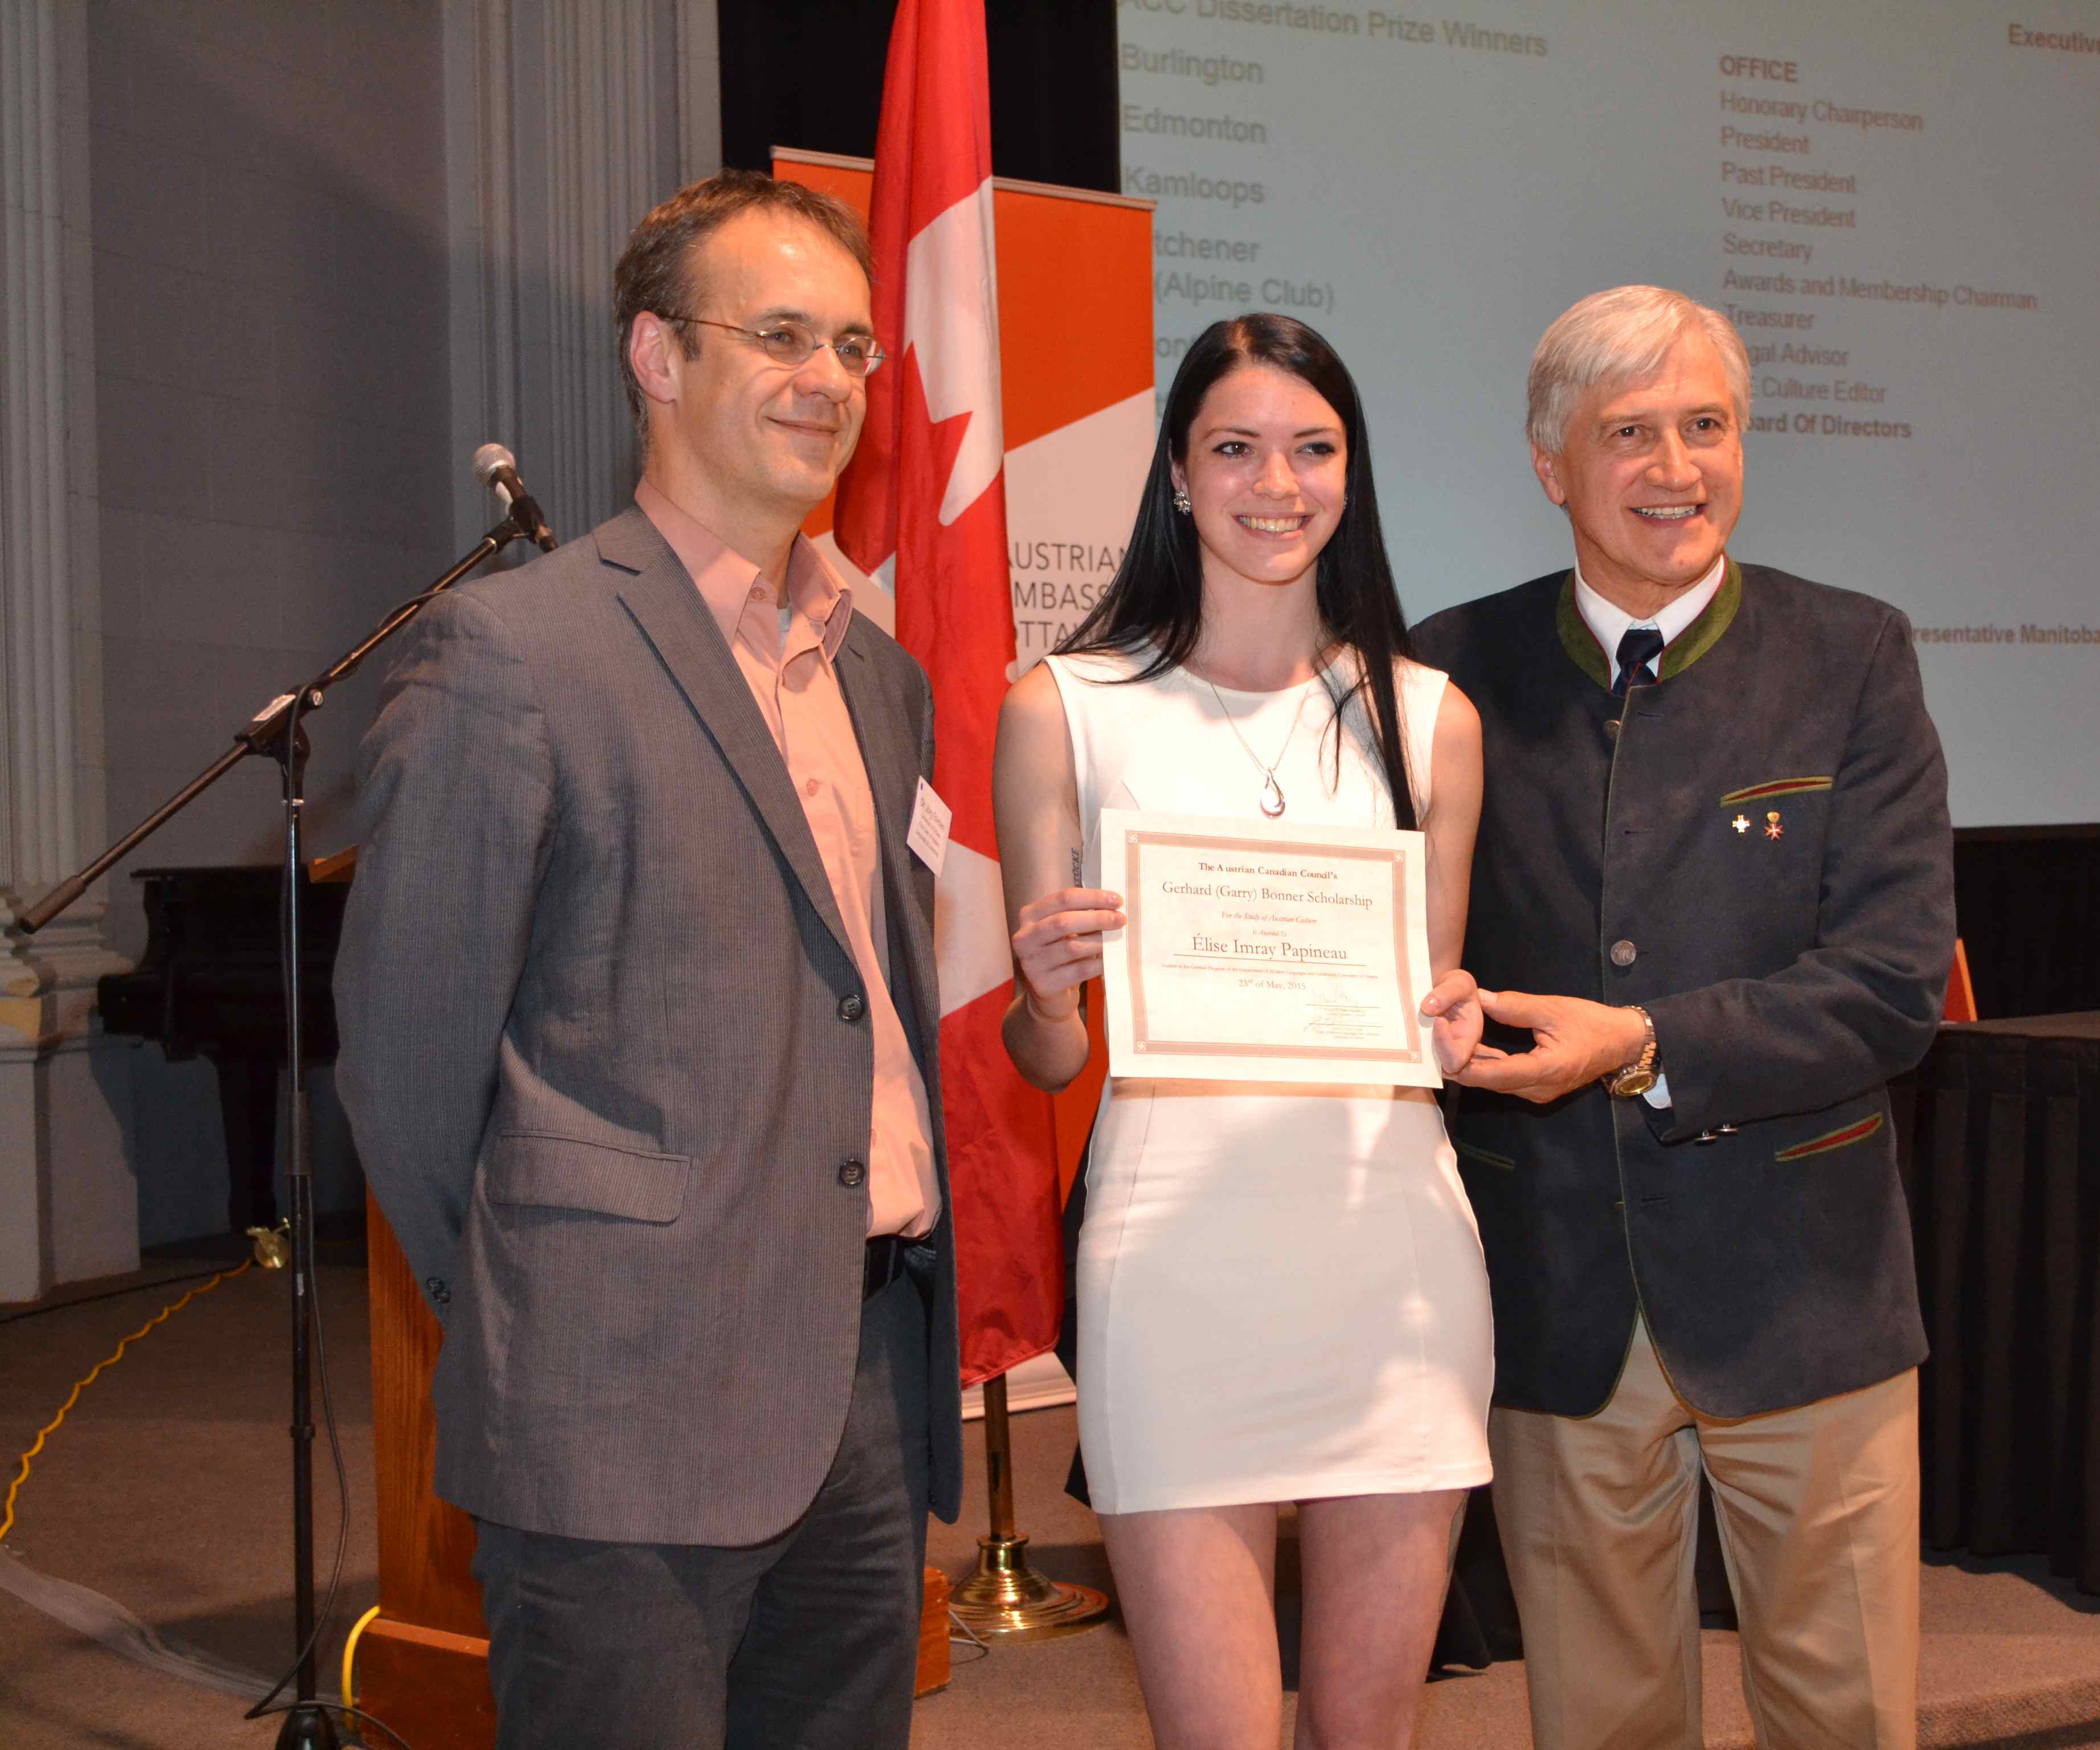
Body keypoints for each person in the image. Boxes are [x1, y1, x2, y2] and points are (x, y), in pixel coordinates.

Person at [334, 171, 958, 1750]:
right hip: (623, 1398)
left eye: (857, 346)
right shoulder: (515, 655)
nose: (830, 380)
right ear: (659, 360)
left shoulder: (876, 678)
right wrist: (559, 1316)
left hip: (867, 1379)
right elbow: (409, 1065)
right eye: (782, 336)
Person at [1411, 284, 1954, 1750]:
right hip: (1556, 1296)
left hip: (1806, 1299)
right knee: (1601, 1726)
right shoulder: (1446, 669)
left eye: (1706, 427)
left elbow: (1896, 984)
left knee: (1844, 1717)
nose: (1676, 468)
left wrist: (1644, 1044)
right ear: (1550, 467)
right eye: (1630, 433)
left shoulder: (1853, 657)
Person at [992, 313, 1492, 1750]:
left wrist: (1452, 1024)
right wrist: (1039, 992)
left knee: (1368, 1738)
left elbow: (1431, 1007)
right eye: (1235, 448)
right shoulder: (1066, 709)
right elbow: (1052, 1060)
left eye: (1313, 448)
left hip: (1390, 1253)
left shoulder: (1429, 718)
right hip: (1175, 1265)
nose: (1276, 483)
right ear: (1176, 474)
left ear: (1353, 474)